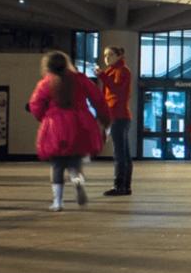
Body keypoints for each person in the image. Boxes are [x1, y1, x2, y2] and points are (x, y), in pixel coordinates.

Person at [29, 50, 110, 211]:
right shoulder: (80, 79)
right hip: (79, 124)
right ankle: (78, 182)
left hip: (55, 126)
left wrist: (44, 118)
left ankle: (58, 202)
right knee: (75, 164)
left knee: (57, 165)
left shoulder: (45, 83)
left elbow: (35, 105)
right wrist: (104, 120)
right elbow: (98, 99)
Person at [95, 46, 133, 196]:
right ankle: (125, 186)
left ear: (119, 56)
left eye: (110, 55)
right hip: (119, 116)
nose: (107, 58)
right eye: (105, 55)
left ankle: (119, 186)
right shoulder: (113, 71)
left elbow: (117, 90)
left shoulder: (121, 71)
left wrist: (102, 77)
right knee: (124, 153)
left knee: (120, 154)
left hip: (118, 116)